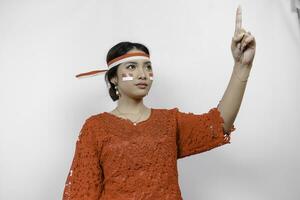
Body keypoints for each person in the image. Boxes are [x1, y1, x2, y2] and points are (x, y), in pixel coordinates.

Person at [62, 5, 256, 200]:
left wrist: (242, 66)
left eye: (147, 67)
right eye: (132, 67)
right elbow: (82, 192)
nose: (143, 74)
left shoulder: (169, 122)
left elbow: (218, 125)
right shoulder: (95, 127)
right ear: (114, 78)